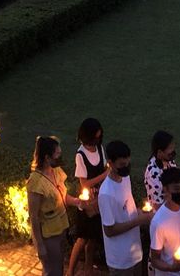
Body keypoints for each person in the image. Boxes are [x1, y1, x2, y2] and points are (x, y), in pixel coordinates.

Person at [27, 134, 86, 276]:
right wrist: (39, 245)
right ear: (47, 158)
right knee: (52, 270)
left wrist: (77, 201)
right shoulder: (36, 182)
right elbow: (34, 216)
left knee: (58, 266)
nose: (60, 157)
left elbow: (62, 196)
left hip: (61, 228)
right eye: (57, 155)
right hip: (48, 234)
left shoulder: (56, 171)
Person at [98, 140, 152, 276]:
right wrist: (138, 221)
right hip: (120, 260)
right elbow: (109, 230)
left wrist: (141, 212)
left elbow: (126, 209)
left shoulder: (125, 178)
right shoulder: (106, 193)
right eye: (122, 164)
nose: (126, 167)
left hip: (135, 252)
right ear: (110, 163)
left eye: (128, 163)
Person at [67, 117, 108, 276]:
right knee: (82, 238)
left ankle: (88, 269)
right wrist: (105, 174)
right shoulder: (81, 154)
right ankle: (70, 270)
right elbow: (84, 184)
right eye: (96, 136)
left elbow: (104, 167)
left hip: (98, 200)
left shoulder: (99, 148)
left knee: (93, 238)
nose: (98, 139)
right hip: (87, 202)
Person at [149, 166, 180, 276]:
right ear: (165, 189)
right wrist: (172, 268)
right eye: (176, 189)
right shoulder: (159, 222)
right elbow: (155, 259)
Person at [145, 130, 178, 210]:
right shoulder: (153, 172)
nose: (173, 150)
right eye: (170, 148)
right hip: (164, 214)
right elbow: (157, 205)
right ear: (160, 152)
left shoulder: (169, 161)